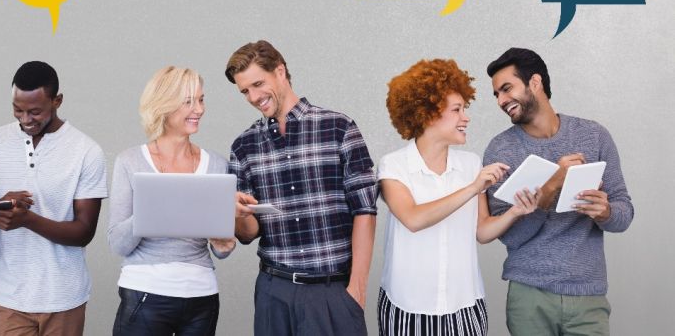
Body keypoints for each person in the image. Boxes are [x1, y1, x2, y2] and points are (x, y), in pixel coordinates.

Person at [377, 59, 541, 335]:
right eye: (457, 110)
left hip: (464, 305)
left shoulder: (471, 164)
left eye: (464, 109)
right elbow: (413, 218)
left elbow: (482, 231)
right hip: (407, 307)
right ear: (427, 113)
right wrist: (473, 187)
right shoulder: (393, 166)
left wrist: (515, 212)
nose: (466, 118)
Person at [225, 40, 377, 336]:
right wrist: (238, 213)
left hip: (332, 292)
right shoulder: (243, 146)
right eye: (245, 91)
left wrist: (357, 290)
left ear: (280, 71)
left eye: (258, 84)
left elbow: (365, 211)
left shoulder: (339, 127)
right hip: (274, 293)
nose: (254, 97)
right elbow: (247, 234)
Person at [484, 48, 634, 335]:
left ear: (535, 83)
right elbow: (510, 237)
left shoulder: (594, 136)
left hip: (588, 295)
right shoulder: (500, 150)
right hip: (529, 296)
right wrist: (553, 183)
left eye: (506, 89)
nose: (502, 101)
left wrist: (605, 212)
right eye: (497, 95)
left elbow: (624, 214)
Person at [0, 61, 108, 336]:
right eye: (17, 110)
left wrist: (27, 219)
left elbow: (84, 232)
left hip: (64, 297)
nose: (25, 119)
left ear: (57, 101)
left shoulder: (86, 151)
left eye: (35, 111)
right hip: (9, 297)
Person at [108, 66, 236, 335]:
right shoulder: (130, 161)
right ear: (164, 105)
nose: (199, 109)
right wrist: (154, 206)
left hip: (202, 297)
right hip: (146, 294)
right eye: (188, 101)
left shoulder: (216, 164)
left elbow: (221, 251)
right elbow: (118, 243)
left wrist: (223, 243)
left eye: (201, 99)